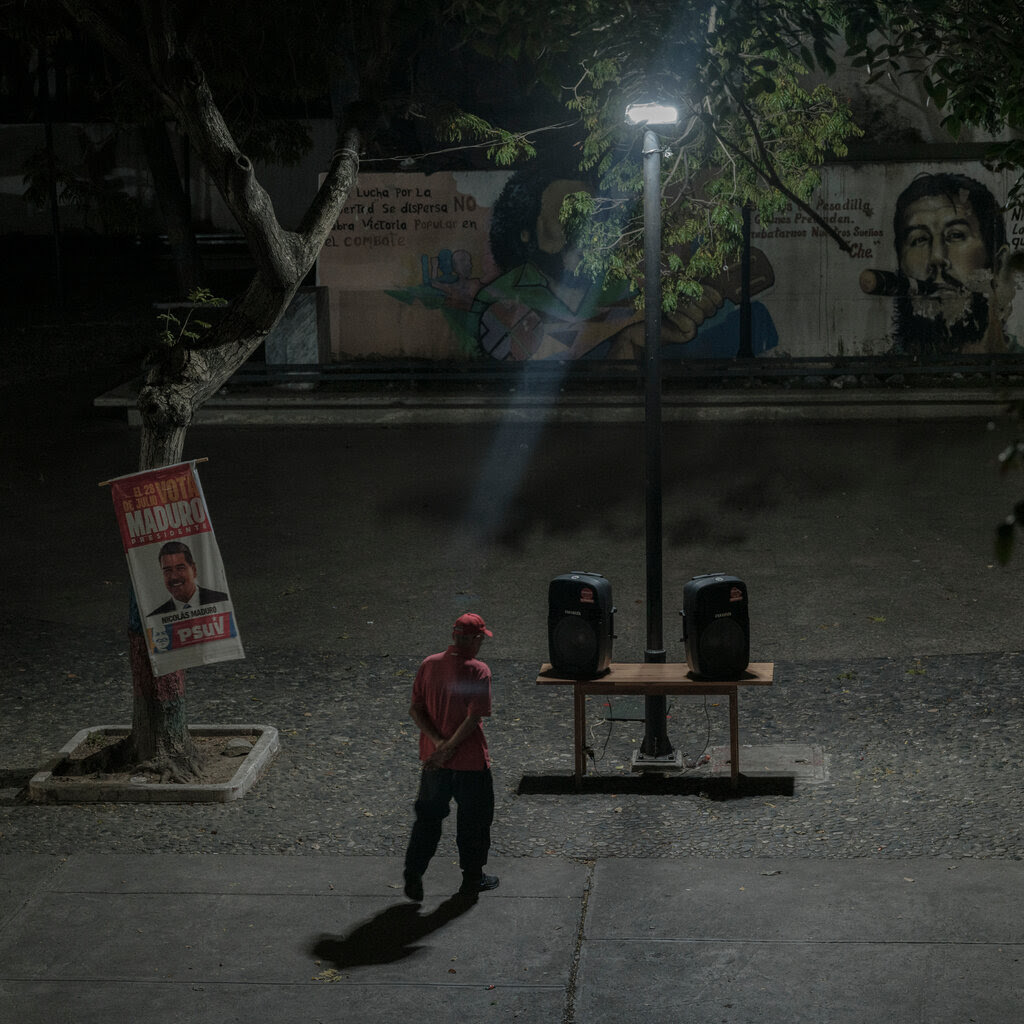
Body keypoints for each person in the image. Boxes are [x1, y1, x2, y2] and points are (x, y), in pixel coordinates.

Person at [403, 612, 498, 901]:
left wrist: (438, 745)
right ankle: (472, 878)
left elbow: (415, 710)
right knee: (474, 821)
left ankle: (414, 874)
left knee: (428, 820)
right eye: (481, 638)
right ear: (476, 638)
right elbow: (473, 719)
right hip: (470, 762)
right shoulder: (478, 670)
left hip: (433, 762)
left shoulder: (429, 665)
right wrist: (450, 747)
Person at [876, 172, 1017, 355]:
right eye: (919, 240)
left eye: (956, 235)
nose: (936, 258)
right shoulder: (880, 376)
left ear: (999, 263)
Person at [147, 540, 229, 616]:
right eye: (168, 570)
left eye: (180, 568)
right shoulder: (155, 617)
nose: (174, 576)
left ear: (194, 570)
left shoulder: (222, 600)